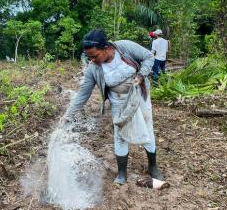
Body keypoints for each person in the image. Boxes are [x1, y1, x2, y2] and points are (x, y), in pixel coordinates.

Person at [64, 29, 164, 185]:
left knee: (147, 128)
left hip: (138, 96)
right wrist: (68, 115)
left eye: (95, 56)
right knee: (119, 135)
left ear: (106, 48)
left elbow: (149, 56)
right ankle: (122, 174)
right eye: (89, 57)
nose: (92, 60)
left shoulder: (125, 47)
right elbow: (83, 93)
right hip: (118, 101)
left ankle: (153, 167)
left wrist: (141, 74)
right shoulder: (94, 69)